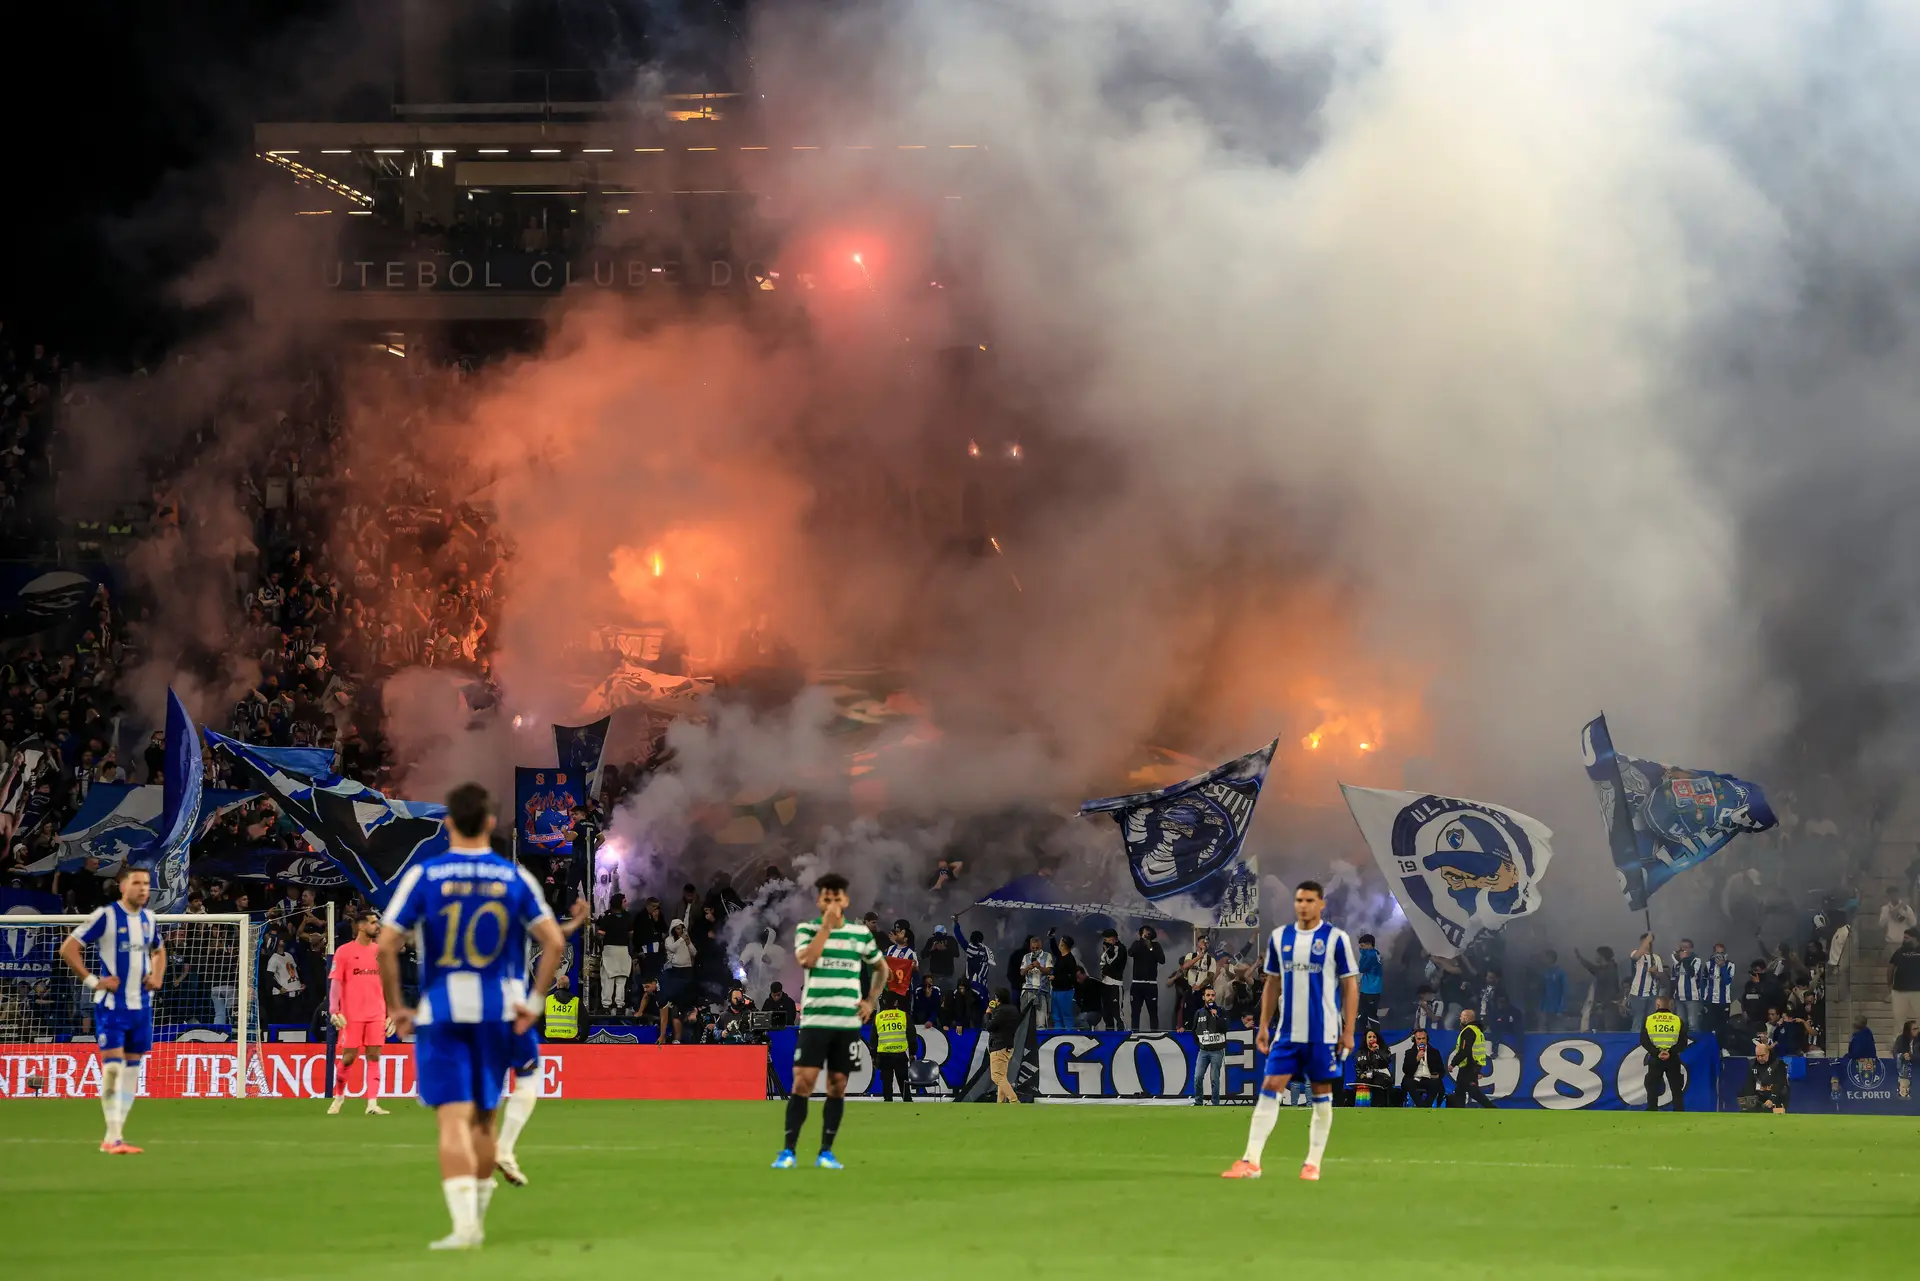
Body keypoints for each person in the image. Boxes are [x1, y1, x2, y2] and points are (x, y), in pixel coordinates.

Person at [378, 783, 565, 1250]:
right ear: (488, 823)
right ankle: (476, 1223)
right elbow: (554, 943)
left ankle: (464, 1229)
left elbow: (385, 945)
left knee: (452, 1122)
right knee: (484, 1121)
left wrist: (397, 1006)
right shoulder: (514, 877)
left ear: (447, 824)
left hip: (442, 1010)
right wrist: (535, 1001)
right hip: (499, 1011)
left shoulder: (426, 875)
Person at [1222, 881, 1358, 1181]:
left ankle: (1312, 1163)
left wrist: (1349, 1030)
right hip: (1287, 1034)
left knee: (1322, 1096)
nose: (1303, 905)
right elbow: (1271, 982)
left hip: (1324, 1035)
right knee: (1270, 1089)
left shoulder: (1336, 939)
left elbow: (1350, 984)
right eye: (1299, 900)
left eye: (1309, 900)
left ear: (1321, 904)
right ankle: (1251, 1161)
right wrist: (1264, 1025)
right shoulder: (1280, 937)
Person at [774, 872, 886, 1169]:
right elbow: (807, 961)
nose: (833, 903)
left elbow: (881, 969)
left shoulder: (860, 934)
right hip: (815, 1021)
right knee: (803, 1083)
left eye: (837, 898)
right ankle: (788, 1151)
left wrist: (871, 1000)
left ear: (846, 900)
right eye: (827, 898)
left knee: (838, 1085)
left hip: (846, 1024)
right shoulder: (807, 930)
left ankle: (826, 1151)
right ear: (819, 901)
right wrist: (827, 927)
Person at [56, 866, 165, 1154]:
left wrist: (157, 976)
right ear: (122, 886)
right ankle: (113, 1137)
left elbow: (159, 950)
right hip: (112, 1007)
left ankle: (115, 1135)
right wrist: (94, 981)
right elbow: (68, 948)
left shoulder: (149, 920)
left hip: (141, 1007)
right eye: (137, 883)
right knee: (114, 1068)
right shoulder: (105, 917)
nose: (143, 889)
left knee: (131, 1070)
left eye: (146, 884)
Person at [327, 908, 392, 1116]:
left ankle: (372, 1103)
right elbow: (336, 982)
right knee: (348, 1057)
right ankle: (338, 1097)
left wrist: (392, 1013)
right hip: (351, 1015)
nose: (377, 926)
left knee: (374, 1055)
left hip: (376, 1013)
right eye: (373, 923)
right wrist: (333, 1009)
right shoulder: (344, 952)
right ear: (362, 926)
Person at [1639, 995, 1688, 1112]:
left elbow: (1644, 1040)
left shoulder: (1649, 1019)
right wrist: (1670, 1052)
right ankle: (1679, 1110)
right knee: (1676, 1087)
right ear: (1670, 1005)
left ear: (1657, 1005)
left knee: (1652, 1086)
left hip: (1656, 1058)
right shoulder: (1678, 1020)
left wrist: (1657, 1053)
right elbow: (1683, 1042)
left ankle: (1652, 1109)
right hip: (1673, 1058)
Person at [1447, 1007, 1495, 1108]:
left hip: (1469, 1065)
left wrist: (1453, 1063)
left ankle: (1492, 1108)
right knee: (1460, 1090)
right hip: (1474, 1064)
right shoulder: (1477, 1031)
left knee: (1472, 1091)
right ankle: (1459, 1111)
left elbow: (1465, 1050)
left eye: (1461, 1016)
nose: (1460, 1018)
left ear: (1466, 1018)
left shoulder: (1468, 1031)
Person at [1190, 986, 1229, 1105]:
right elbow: (1194, 1030)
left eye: (1212, 995)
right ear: (1203, 997)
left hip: (1217, 1051)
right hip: (1203, 1051)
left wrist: (1216, 1017)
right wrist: (1200, 1044)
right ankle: (1198, 1102)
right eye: (1208, 995)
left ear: (1215, 997)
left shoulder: (1221, 1011)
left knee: (1214, 1079)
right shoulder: (1199, 1013)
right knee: (1197, 1077)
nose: (1210, 998)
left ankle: (1215, 1103)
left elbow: (1225, 1028)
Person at [595, 893, 632, 1013]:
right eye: (624, 901)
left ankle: (606, 1006)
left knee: (608, 979)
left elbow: (600, 935)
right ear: (619, 903)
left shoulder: (606, 917)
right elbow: (631, 934)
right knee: (621, 979)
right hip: (623, 950)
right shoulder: (628, 917)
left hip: (610, 950)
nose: (626, 903)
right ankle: (620, 1005)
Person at [984, 988, 1021, 1103]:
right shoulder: (1014, 1009)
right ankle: (1000, 1103)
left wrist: (988, 1014)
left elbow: (989, 1026)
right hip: (1009, 1045)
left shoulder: (1000, 1011)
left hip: (999, 1045)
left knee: (997, 1077)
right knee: (1002, 1076)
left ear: (998, 998)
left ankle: (1014, 1100)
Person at [873, 1003, 912, 1101]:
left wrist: (874, 1057)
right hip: (900, 1054)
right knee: (903, 1082)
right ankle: (907, 1102)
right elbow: (911, 1035)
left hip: (884, 1055)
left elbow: (873, 1039)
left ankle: (888, 1102)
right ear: (896, 1003)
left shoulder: (878, 1017)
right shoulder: (903, 1015)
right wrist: (912, 1052)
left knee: (886, 1083)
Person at [1127, 926, 1164, 1030]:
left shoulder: (1156, 946)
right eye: (1145, 933)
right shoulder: (1136, 944)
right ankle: (1135, 1033)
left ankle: (1154, 1034)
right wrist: (1141, 942)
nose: (1147, 935)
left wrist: (1150, 948)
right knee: (1135, 1012)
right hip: (1137, 983)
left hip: (1151, 984)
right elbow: (1130, 953)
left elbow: (1162, 960)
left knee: (1153, 1012)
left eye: (1149, 933)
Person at [1625, 933, 1663, 1028]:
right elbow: (1635, 957)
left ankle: (1649, 1040)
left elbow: (1661, 976)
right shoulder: (1636, 953)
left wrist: (1655, 972)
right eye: (1645, 942)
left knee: (1651, 1021)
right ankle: (1635, 1041)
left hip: (1652, 994)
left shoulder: (1656, 958)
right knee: (1638, 1020)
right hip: (1638, 993)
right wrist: (1648, 939)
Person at [1400, 1028, 1445, 1108]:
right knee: (1408, 1082)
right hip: (1414, 1078)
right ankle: (1420, 1105)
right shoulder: (1409, 1052)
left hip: (1429, 1078)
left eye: (1423, 1038)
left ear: (1427, 1039)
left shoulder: (1435, 1052)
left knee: (1436, 1083)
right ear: (1415, 1040)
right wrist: (1416, 1059)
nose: (1421, 1041)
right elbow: (1405, 1070)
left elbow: (1442, 1070)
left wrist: (1438, 1075)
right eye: (1419, 1039)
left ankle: (1427, 1105)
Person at [1670, 939, 1708, 1032]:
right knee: (1680, 1024)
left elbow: (1692, 973)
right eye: (1681, 948)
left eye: (1685, 948)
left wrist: (1684, 959)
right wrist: (1671, 996)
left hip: (1692, 998)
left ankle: (1695, 1045)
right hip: (1678, 998)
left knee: (1693, 1025)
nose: (1683, 950)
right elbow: (1674, 979)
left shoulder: (1696, 960)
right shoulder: (1676, 962)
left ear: (1691, 949)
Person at [1744, 1040, 1789, 1113]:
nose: (1760, 1058)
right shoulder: (1752, 1064)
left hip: (1776, 1096)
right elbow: (1749, 1084)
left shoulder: (1778, 1064)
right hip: (1759, 1097)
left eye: (1762, 1055)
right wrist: (1750, 1099)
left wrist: (1772, 1099)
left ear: (1768, 1053)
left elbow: (1780, 1084)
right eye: (1757, 1056)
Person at [882, 920, 917, 1011]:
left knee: (903, 1014)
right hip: (889, 987)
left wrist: (913, 966)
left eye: (901, 933)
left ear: (905, 939)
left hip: (903, 990)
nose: (897, 933)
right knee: (887, 1012)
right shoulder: (890, 949)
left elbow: (916, 969)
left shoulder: (911, 953)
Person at [1888, 931, 1920, 1030]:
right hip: (1899, 991)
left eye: (1907, 938)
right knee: (1898, 1019)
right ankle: (1899, 1041)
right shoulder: (1899, 952)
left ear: (1915, 938)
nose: (1904, 940)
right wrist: (1889, 985)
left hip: (1918, 991)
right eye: (1904, 938)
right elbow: (1891, 968)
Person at [1353, 1028, 1393, 1106]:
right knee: (1361, 1081)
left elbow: (1386, 1062)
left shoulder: (1383, 1050)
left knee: (1378, 1081)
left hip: (1382, 1075)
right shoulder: (1360, 1052)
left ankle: (1378, 1106)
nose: (1372, 1039)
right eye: (1369, 1037)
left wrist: (1378, 1051)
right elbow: (1358, 1067)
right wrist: (1361, 1074)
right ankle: (1362, 1106)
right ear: (1366, 1039)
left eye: (1374, 1037)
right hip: (1366, 1075)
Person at [1098, 928, 1127, 1030]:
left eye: (1107, 939)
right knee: (1106, 1012)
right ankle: (1109, 1032)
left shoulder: (1121, 948)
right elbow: (1103, 962)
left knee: (1117, 1012)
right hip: (1105, 983)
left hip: (1115, 984)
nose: (1105, 941)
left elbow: (1113, 963)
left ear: (1114, 939)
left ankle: (1121, 1034)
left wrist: (1109, 951)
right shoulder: (1106, 949)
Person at [1049, 934, 1080, 1031]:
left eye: (1060, 942)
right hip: (1055, 991)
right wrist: (1051, 938)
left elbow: (1072, 978)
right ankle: (1057, 1035)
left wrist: (1056, 978)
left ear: (1063, 944)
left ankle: (1069, 1035)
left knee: (1066, 1016)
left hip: (1065, 992)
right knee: (1056, 1017)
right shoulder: (1059, 956)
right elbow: (1054, 950)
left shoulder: (1070, 960)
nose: (1059, 944)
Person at [1705, 942, 1737, 1034]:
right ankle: (1711, 1047)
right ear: (1713, 953)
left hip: (1724, 1001)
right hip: (1711, 1001)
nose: (1719, 956)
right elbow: (1704, 982)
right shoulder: (1708, 965)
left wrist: (1722, 967)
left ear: (1725, 954)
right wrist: (1705, 999)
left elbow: (1727, 982)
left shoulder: (1731, 965)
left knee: (1723, 1026)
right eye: (1717, 953)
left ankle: (1723, 1046)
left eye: (1721, 953)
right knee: (1710, 1026)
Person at [1019, 936, 1051, 1023]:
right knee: (1026, 1018)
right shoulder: (1026, 957)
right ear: (1030, 947)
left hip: (1041, 990)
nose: (1035, 950)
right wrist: (1028, 968)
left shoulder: (1047, 956)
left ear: (1041, 946)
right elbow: (1022, 973)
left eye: (1037, 948)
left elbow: (1049, 971)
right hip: (1028, 990)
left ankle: (1040, 1034)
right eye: (1033, 948)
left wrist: (1039, 967)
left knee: (1041, 1019)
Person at [1879, 888, 1917, 960]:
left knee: (1904, 964)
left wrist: (1906, 913)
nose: (1894, 896)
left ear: (1899, 895)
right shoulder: (1885, 909)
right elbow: (1881, 924)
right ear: (1889, 896)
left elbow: (1913, 923)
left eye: (1895, 894)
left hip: (1905, 941)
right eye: (1891, 895)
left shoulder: (1906, 908)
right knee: (1892, 964)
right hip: (1891, 941)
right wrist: (1890, 914)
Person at [1355, 934, 1383, 1030]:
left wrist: (1363, 956)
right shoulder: (1375, 953)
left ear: (1369, 944)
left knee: (1370, 1014)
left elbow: (1362, 969)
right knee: (1363, 1013)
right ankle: (1366, 1033)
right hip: (1368, 988)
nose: (1360, 949)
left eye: (1362, 946)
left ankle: (1375, 1034)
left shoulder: (1370, 956)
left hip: (1371, 990)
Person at [1537, 950, 1568, 1031]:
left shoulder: (1560, 972)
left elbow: (1565, 991)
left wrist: (1561, 1009)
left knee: (1556, 1032)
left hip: (1556, 1010)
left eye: (1545, 957)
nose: (1543, 959)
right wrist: (1541, 1009)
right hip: (1546, 1010)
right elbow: (1542, 992)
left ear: (1551, 958)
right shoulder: (1544, 973)